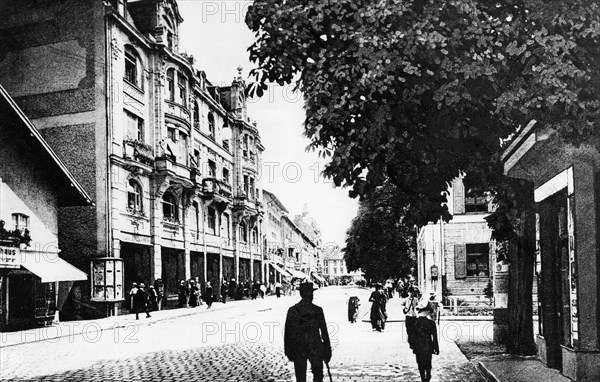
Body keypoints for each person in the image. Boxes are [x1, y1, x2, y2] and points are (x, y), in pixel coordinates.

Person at [284, 282, 332, 382]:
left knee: (300, 377)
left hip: (299, 347)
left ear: (301, 294)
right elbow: (324, 332)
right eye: (311, 293)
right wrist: (327, 349)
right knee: (318, 374)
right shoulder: (318, 310)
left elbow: (288, 333)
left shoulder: (293, 310)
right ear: (311, 294)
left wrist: (288, 350)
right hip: (315, 346)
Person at [412, 300, 440, 382]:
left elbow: (412, 337)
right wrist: (436, 348)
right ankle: (428, 376)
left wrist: (413, 347)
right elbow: (435, 337)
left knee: (420, 363)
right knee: (428, 363)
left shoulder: (415, 323)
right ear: (427, 312)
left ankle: (423, 378)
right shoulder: (431, 323)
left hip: (418, 346)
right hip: (428, 345)